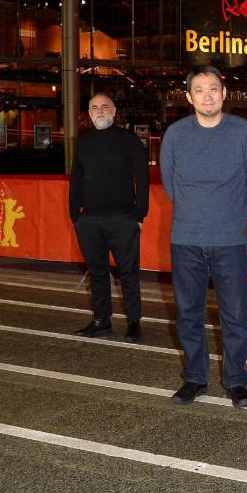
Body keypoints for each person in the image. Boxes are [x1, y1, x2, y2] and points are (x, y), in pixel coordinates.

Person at [160, 65, 247, 409]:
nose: (208, 95)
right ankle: (194, 378)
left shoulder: (243, 133)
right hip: (186, 238)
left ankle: (236, 381)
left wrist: (230, 218)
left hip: (230, 240)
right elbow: (170, 184)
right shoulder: (175, 135)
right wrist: (196, 214)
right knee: (188, 313)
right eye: (200, 90)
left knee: (234, 315)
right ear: (189, 97)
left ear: (224, 93)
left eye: (214, 88)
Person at [69, 94, 149, 342]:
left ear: (114, 112)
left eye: (105, 106)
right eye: (94, 107)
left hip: (123, 219)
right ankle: (101, 320)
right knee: (97, 272)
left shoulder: (129, 140)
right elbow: (76, 179)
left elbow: (143, 178)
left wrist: (139, 215)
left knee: (128, 272)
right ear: (89, 113)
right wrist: (75, 216)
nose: (99, 111)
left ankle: (134, 321)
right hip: (89, 221)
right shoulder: (82, 142)